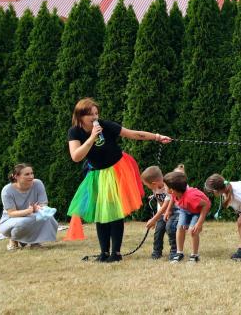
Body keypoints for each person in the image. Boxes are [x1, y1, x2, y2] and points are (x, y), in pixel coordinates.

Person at [66, 98, 172, 263]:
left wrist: (157, 137)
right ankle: (104, 252)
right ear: (80, 116)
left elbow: (133, 134)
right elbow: (76, 156)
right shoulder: (74, 132)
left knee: (115, 211)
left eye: (96, 113)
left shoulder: (105, 125)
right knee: (100, 213)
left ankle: (116, 253)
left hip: (117, 170)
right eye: (90, 114)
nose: (95, 117)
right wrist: (92, 137)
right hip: (97, 174)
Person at [204, 174, 241, 260]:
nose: (211, 194)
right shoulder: (226, 190)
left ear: (216, 190)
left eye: (211, 192)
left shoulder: (236, 192)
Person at [0, 163, 57, 250]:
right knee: (24, 222)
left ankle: (35, 243)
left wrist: (38, 208)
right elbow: (11, 213)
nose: (31, 176)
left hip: (32, 215)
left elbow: (43, 204)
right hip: (9, 221)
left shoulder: (38, 183)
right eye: (27, 174)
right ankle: (13, 239)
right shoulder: (7, 190)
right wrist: (28, 211)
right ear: (16, 176)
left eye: (32, 173)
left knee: (47, 217)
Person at [164, 170, 210, 263]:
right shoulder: (174, 193)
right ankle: (179, 253)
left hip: (197, 211)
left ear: (171, 190)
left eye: (165, 186)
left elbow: (206, 204)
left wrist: (199, 223)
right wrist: (168, 210)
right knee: (180, 227)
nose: (164, 187)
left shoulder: (190, 197)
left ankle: (194, 255)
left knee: (193, 231)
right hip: (185, 209)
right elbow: (172, 198)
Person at [140, 165, 179, 260]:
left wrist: (154, 219)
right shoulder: (155, 187)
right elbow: (160, 199)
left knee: (170, 229)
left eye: (146, 185)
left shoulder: (168, 186)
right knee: (158, 231)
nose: (147, 187)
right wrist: (154, 196)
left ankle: (175, 252)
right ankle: (156, 252)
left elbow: (166, 204)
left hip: (174, 212)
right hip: (162, 214)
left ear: (154, 183)